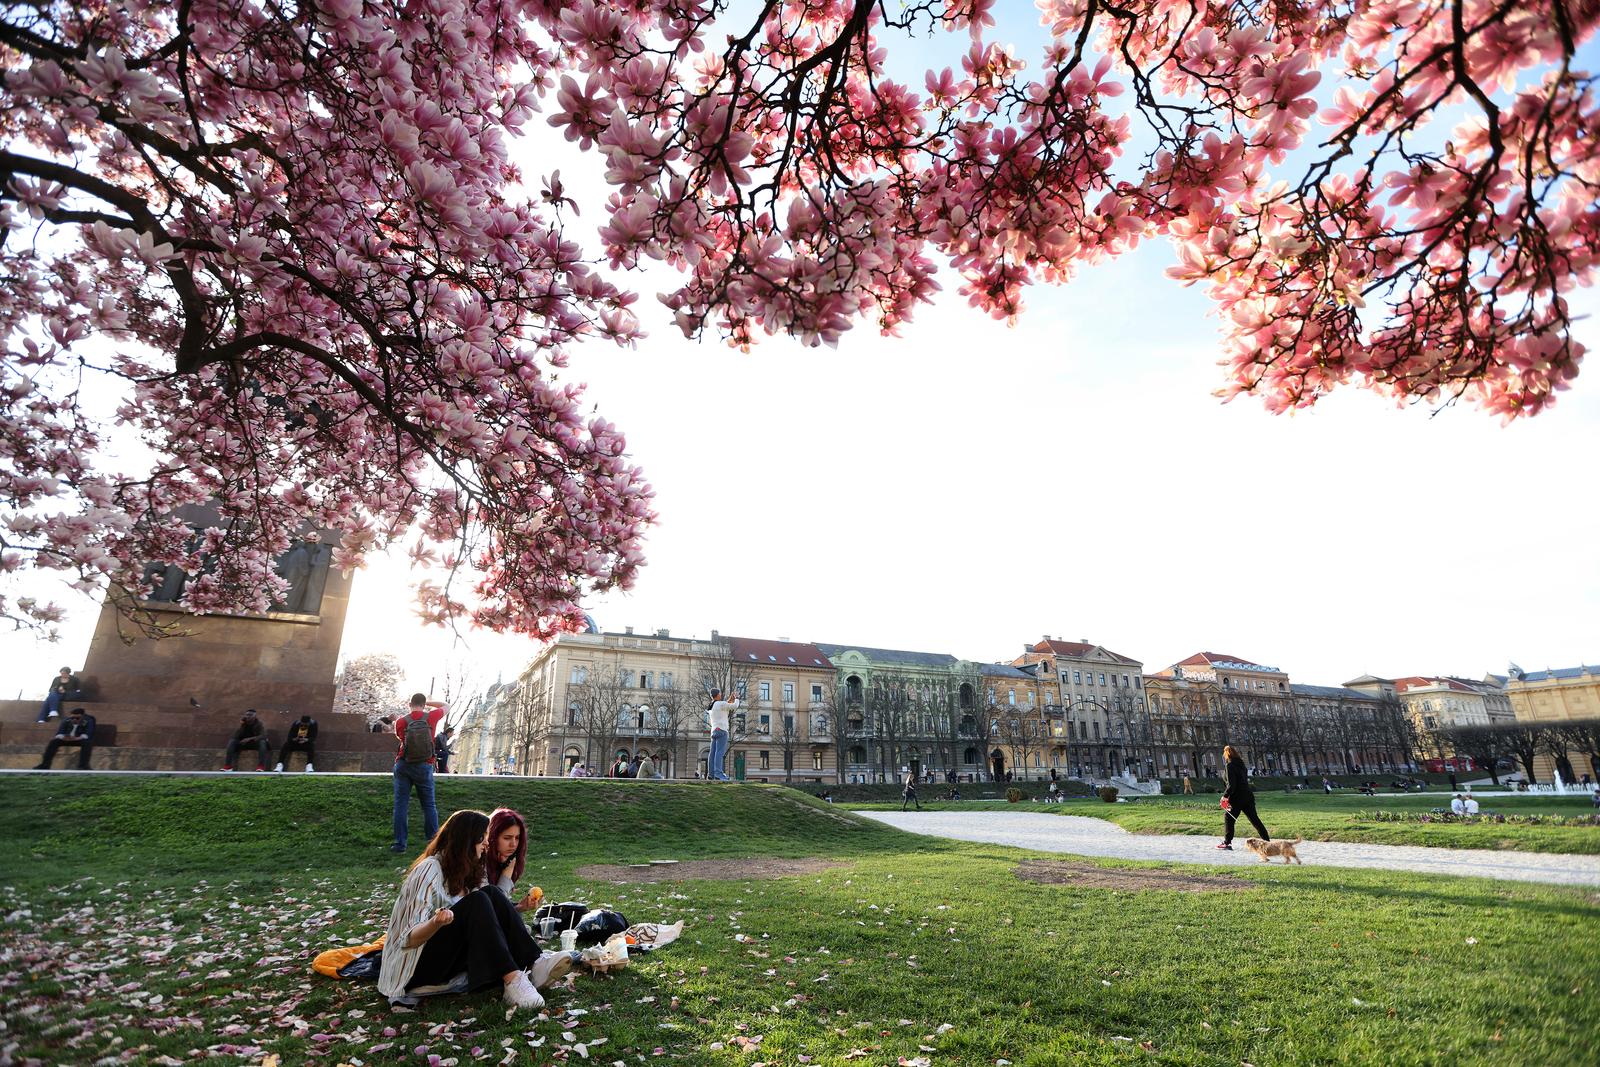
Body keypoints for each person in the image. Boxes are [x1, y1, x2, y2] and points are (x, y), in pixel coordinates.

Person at [378, 810, 547, 1010]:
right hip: (412, 969)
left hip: (445, 957)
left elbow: (490, 913)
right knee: (478, 900)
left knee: (489, 893)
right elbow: (408, 938)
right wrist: (435, 923)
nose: (487, 843)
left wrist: (514, 899)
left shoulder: (467, 869)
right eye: (482, 838)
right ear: (465, 841)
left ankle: (534, 963)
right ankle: (512, 979)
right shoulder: (428, 870)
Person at [392, 693, 446, 853]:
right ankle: (433, 843)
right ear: (423, 704)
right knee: (429, 805)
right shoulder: (432, 716)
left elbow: (400, 738)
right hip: (424, 765)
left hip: (404, 764)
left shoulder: (401, 721)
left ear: (410, 704)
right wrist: (428, 702)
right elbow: (446, 705)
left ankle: (400, 844)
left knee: (401, 805)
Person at [1216, 745, 1270, 850]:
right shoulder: (1242, 765)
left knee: (1229, 818)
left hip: (1236, 798)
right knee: (1255, 820)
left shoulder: (1230, 766)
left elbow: (1232, 785)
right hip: (1248, 796)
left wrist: (1224, 796)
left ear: (1227, 754)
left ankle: (1227, 843)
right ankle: (1267, 842)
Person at [706, 688, 737, 782]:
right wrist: (736, 698)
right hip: (722, 730)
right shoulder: (720, 704)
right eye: (720, 694)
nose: (721, 695)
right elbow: (734, 706)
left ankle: (711, 774)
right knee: (719, 753)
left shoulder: (711, 705)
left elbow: (724, 705)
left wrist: (730, 699)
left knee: (712, 753)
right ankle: (718, 774)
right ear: (718, 695)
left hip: (714, 730)